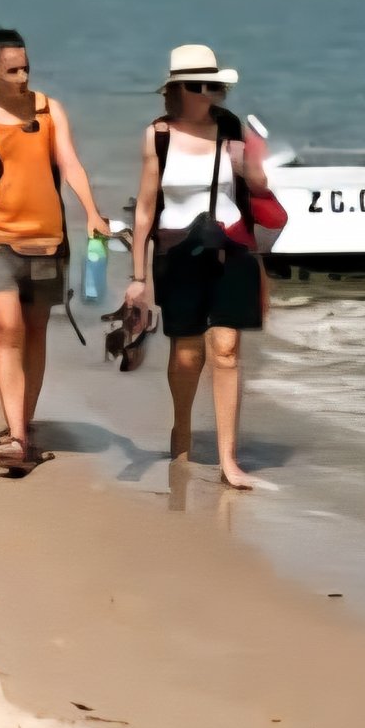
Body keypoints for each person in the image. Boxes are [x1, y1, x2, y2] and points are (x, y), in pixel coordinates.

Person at [0, 25, 108, 479]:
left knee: (35, 332)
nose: (23, 77)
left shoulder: (50, 110)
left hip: (47, 240)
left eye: (26, 68)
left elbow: (69, 163)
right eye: (12, 70)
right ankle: (17, 438)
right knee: (8, 328)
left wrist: (92, 211)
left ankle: (21, 426)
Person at [113, 41, 277, 491]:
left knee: (226, 349)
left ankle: (228, 460)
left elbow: (259, 187)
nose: (213, 93)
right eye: (202, 85)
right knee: (187, 355)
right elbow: (146, 207)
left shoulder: (232, 128)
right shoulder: (159, 135)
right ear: (180, 89)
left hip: (230, 248)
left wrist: (252, 161)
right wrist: (138, 276)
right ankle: (182, 431)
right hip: (177, 251)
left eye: (216, 85)